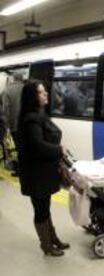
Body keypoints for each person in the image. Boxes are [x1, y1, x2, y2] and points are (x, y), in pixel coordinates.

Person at [17, 80, 69, 257]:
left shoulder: (38, 114)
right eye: (41, 92)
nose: (46, 94)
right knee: (40, 210)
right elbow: (38, 146)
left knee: (44, 207)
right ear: (33, 96)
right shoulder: (31, 119)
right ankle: (46, 245)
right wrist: (59, 149)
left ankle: (53, 239)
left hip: (41, 172)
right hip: (36, 174)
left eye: (45, 91)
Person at [2, 73, 24, 175]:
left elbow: (5, 110)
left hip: (15, 125)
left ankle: (19, 170)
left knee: (18, 148)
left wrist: (6, 127)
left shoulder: (7, 91)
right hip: (28, 124)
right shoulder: (27, 88)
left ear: (13, 79)